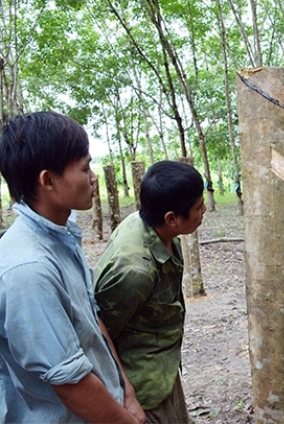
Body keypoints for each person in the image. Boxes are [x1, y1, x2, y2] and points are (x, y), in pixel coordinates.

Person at [0, 111, 144, 423]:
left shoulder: (61, 236)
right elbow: (71, 383)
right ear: (47, 180)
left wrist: (126, 392)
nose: (93, 178)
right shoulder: (29, 268)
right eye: (84, 168)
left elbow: (92, 321)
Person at [94, 160, 206, 423]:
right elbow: (99, 334)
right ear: (172, 218)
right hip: (141, 387)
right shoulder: (135, 270)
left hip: (161, 371)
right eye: (198, 207)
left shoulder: (155, 228)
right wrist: (127, 395)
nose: (203, 212)